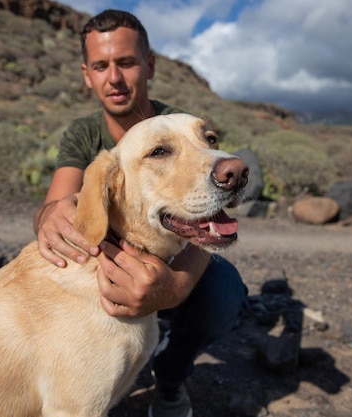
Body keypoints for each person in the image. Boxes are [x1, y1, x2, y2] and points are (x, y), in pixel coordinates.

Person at [33, 9, 248, 417]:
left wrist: (173, 286)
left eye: (126, 62)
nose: (113, 77)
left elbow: (205, 207)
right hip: (113, 259)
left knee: (225, 291)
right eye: (101, 66)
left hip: (173, 261)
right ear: (87, 74)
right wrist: (52, 215)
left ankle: (169, 381)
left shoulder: (179, 124)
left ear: (149, 65)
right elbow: (53, 206)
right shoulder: (83, 135)